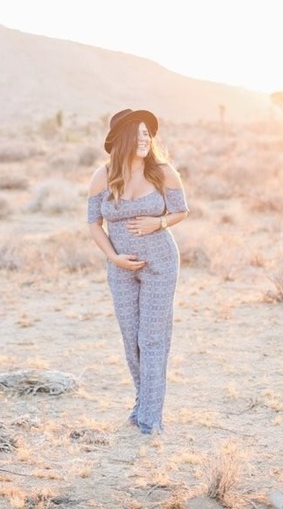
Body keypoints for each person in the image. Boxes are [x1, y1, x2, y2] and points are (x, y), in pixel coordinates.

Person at [86, 108, 189, 435]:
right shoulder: (102, 177)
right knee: (131, 340)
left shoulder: (163, 172)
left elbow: (181, 211)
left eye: (149, 134)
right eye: (139, 133)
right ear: (124, 139)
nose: (146, 139)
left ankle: (150, 419)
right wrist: (114, 257)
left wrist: (157, 222)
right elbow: (93, 223)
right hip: (120, 269)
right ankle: (142, 402)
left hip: (160, 263)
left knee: (152, 339)